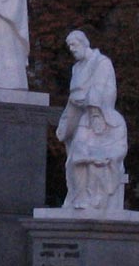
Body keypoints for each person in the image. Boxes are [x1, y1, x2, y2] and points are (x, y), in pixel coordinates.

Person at [55, 31, 128, 212]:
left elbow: (104, 89)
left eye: (74, 44)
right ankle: (77, 197)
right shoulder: (76, 68)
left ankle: (92, 198)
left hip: (98, 115)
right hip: (82, 116)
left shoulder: (101, 63)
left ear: (83, 43)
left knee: (90, 162)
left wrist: (91, 105)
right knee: (74, 160)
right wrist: (66, 121)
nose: (71, 49)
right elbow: (73, 96)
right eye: (69, 46)